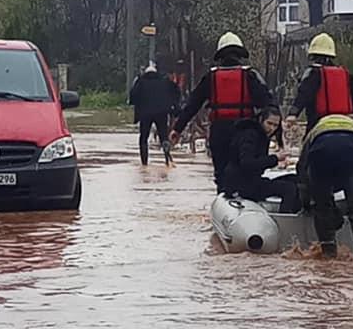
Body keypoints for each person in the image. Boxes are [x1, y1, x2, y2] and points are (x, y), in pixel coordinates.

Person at [170, 32, 275, 191]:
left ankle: (224, 198)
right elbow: (268, 103)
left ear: (220, 56)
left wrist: (177, 129)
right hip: (246, 132)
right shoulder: (251, 76)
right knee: (247, 170)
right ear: (240, 55)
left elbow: (192, 105)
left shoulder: (210, 77)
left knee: (222, 175)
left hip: (219, 132)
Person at [296, 113, 353, 259]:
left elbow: (302, 168)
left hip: (320, 152)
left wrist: (306, 202)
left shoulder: (316, 129)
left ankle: (328, 254)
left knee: (322, 206)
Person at [222, 106, 301, 213]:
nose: (272, 128)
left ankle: (300, 213)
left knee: (295, 179)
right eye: (269, 123)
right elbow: (247, 164)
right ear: (261, 120)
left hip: (251, 181)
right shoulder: (250, 135)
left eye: (275, 126)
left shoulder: (261, 136)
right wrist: (275, 158)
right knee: (289, 188)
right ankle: (286, 220)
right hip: (241, 185)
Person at [286, 33, 353, 132]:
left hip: (318, 123)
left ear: (312, 55)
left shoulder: (313, 74)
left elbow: (304, 94)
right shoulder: (346, 75)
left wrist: (293, 114)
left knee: (308, 145)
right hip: (346, 123)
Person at [129, 62, 179, 166]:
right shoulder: (164, 81)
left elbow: (132, 97)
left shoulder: (140, 81)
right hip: (161, 113)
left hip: (145, 114)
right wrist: (173, 106)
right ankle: (167, 159)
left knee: (144, 138)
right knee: (163, 136)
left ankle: (144, 163)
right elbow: (176, 91)